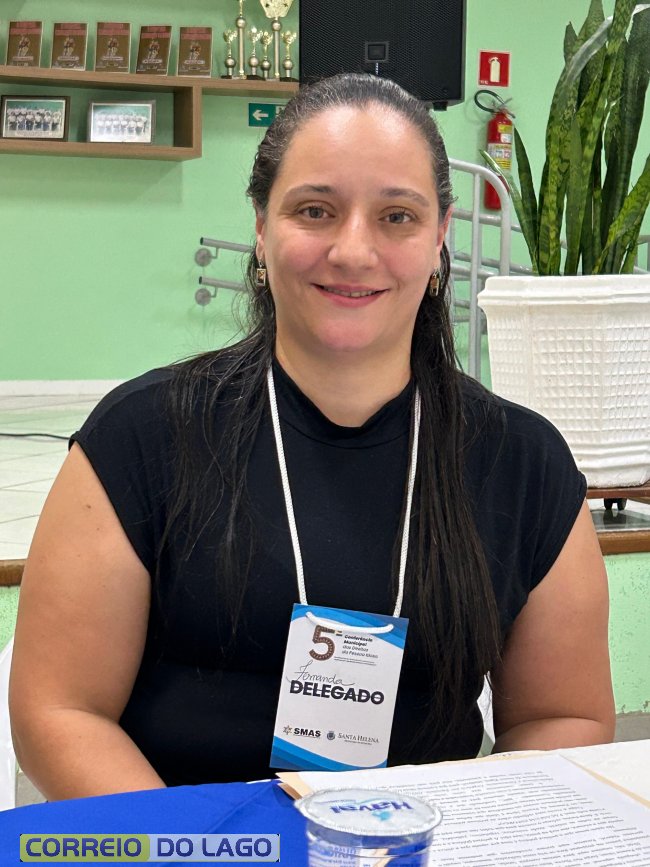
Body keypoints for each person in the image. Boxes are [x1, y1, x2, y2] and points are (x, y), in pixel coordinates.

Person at [9, 73, 615, 801]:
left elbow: (562, 715)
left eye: (397, 216)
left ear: (439, 238)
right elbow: (61, 710)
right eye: (315, 210)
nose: (354, 250)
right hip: (181, 839)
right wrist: (205, 849)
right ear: (262, 228)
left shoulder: (525, 464)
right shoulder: (140, 439)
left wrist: (450, 840)